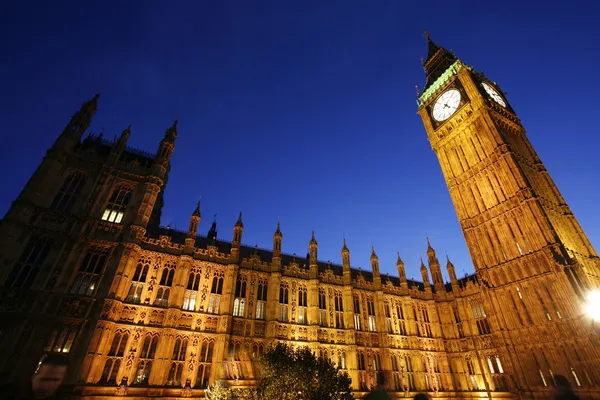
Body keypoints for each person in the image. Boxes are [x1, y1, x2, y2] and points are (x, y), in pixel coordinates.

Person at [2, 354, 70, 399]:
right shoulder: (8, 394)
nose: (48, 386)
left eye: (55, 380)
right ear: (34, 375)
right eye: (44, 379)